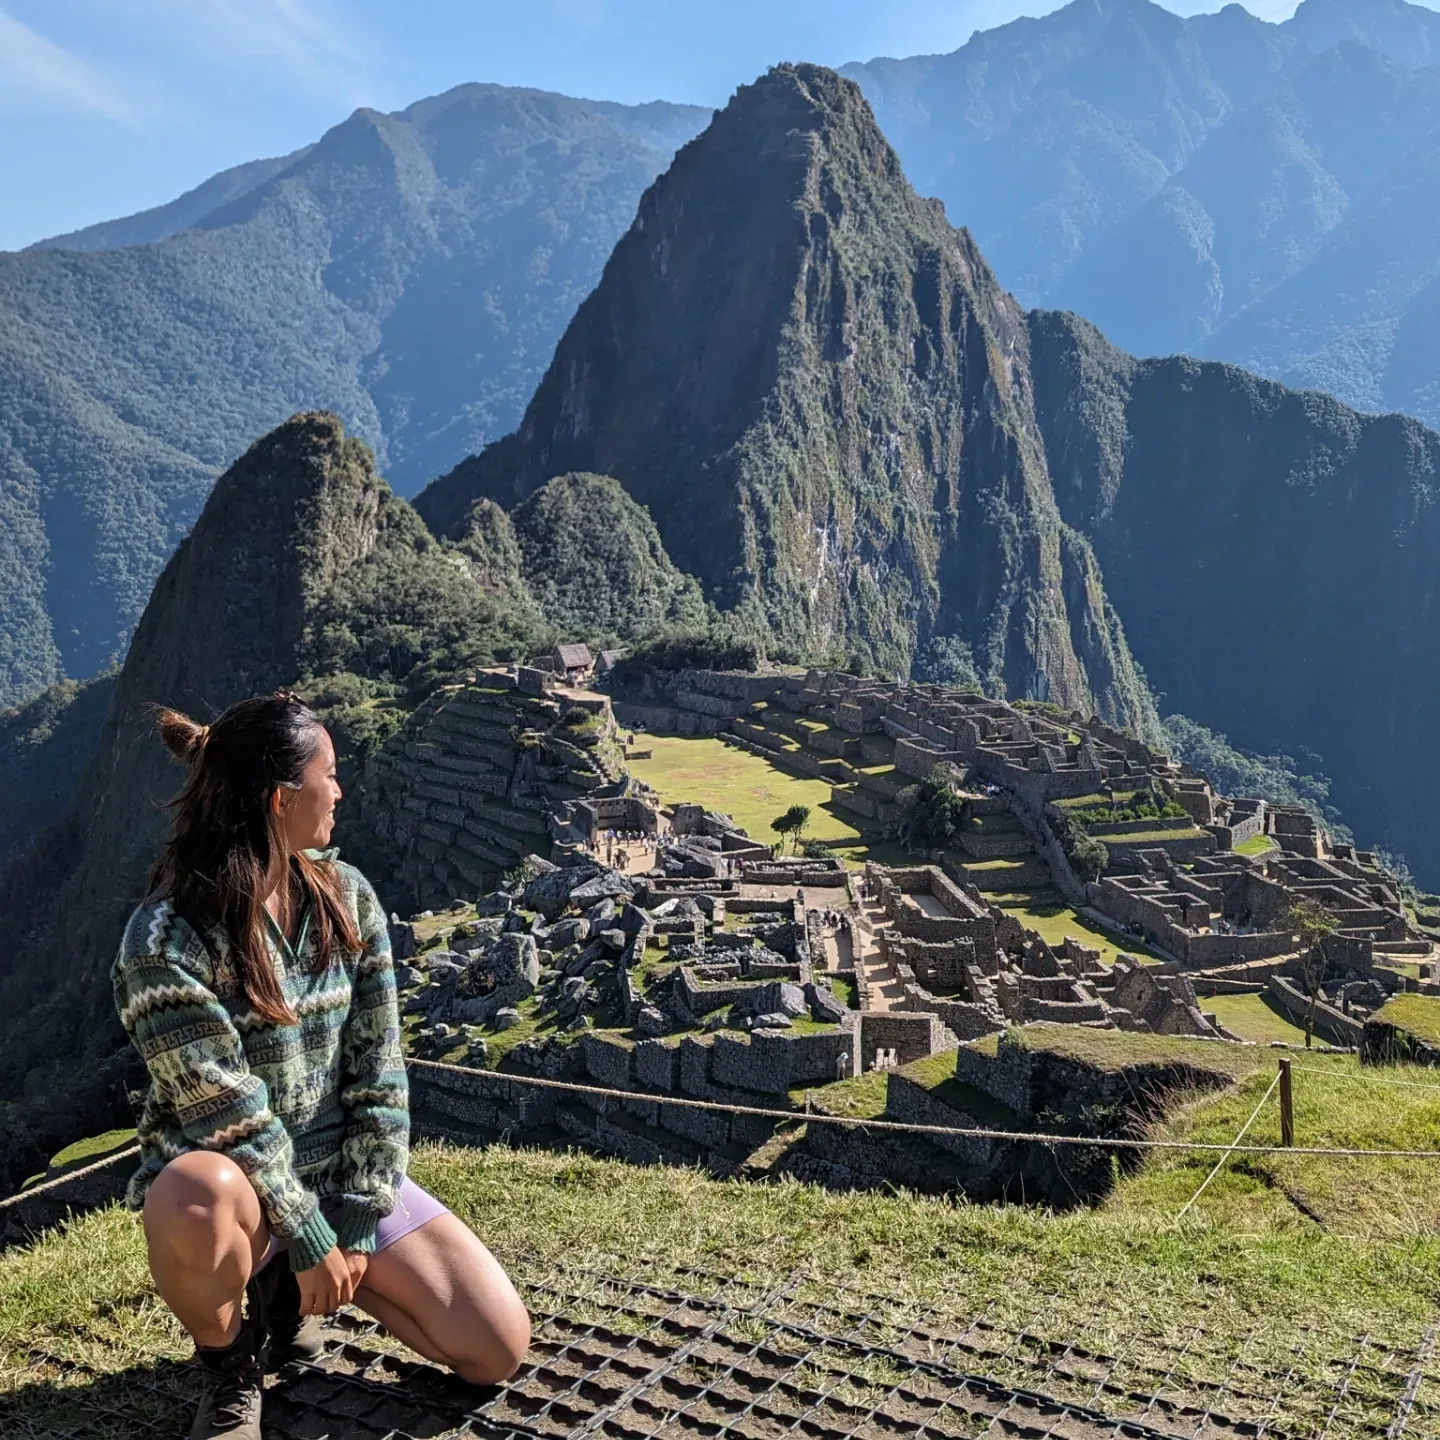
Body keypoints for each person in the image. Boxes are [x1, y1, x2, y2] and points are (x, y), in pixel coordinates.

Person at [112, 693, 531, 1440]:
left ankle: (283, 1293)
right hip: (238, 1183)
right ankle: (232, 1363)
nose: (340, 791)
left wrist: (358, 1220)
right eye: (328, 775)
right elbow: (224, 1111)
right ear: (281, 799)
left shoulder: (349, 901)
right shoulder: (166, 940)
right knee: (189, 1194)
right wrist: (305, 1234)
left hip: (337, 1171)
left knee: (496, 1349)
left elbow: (380, 1072)